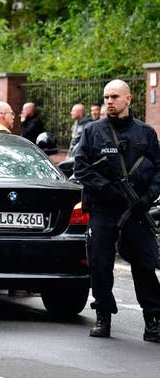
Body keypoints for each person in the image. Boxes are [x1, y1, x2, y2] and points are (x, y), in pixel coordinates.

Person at [73, 79, 160, 342]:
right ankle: (103, 317)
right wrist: (107, 189)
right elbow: (81, 168)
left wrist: (146, 198)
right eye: (106, 97)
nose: (109, 101)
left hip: (136, 211)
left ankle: (153, 319)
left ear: (128, 99)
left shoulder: (145, 134)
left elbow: (158, 170)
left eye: (114, 97)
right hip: (104, 209)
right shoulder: (93, 132)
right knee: (100, 264)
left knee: (145, 264)